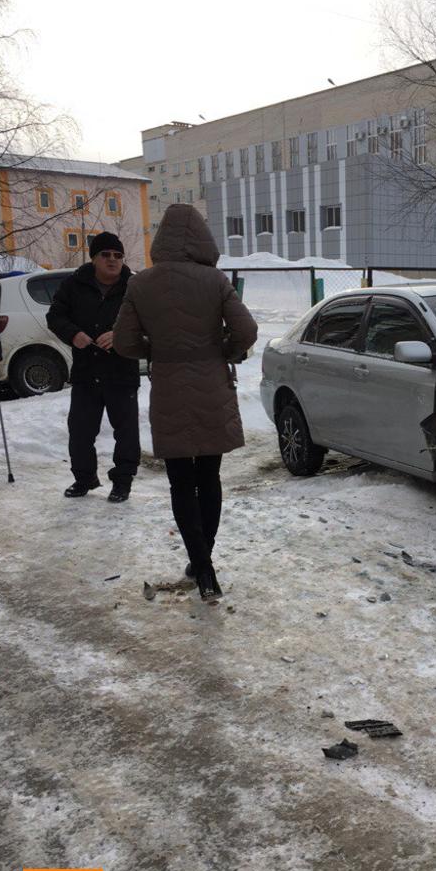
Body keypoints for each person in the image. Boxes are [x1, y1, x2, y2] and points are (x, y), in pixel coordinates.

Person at [113, 204, 257, 601]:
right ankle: (204, 561)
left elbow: (124, 341)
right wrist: (225, 350)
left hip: (170, 389)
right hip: (212, 384)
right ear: (201, 239)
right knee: (209, 478)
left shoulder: (141, 284)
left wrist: (157, 349)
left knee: (180, 482)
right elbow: (246, 330)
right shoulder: (215, 281)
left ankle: (203, 567)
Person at [46, 232, 140, 502]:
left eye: (118, 255)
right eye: (106, 255)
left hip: (122, 371)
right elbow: (55, 316)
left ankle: (122, 482)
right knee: (80, 430)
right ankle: (84, 478)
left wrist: (120, 335)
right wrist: (73, 333)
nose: (112, 260)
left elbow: (148, 323)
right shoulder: (74, 284)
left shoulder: (134, 287)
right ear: (94, 258)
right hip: (87, 371)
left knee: (126, 432)